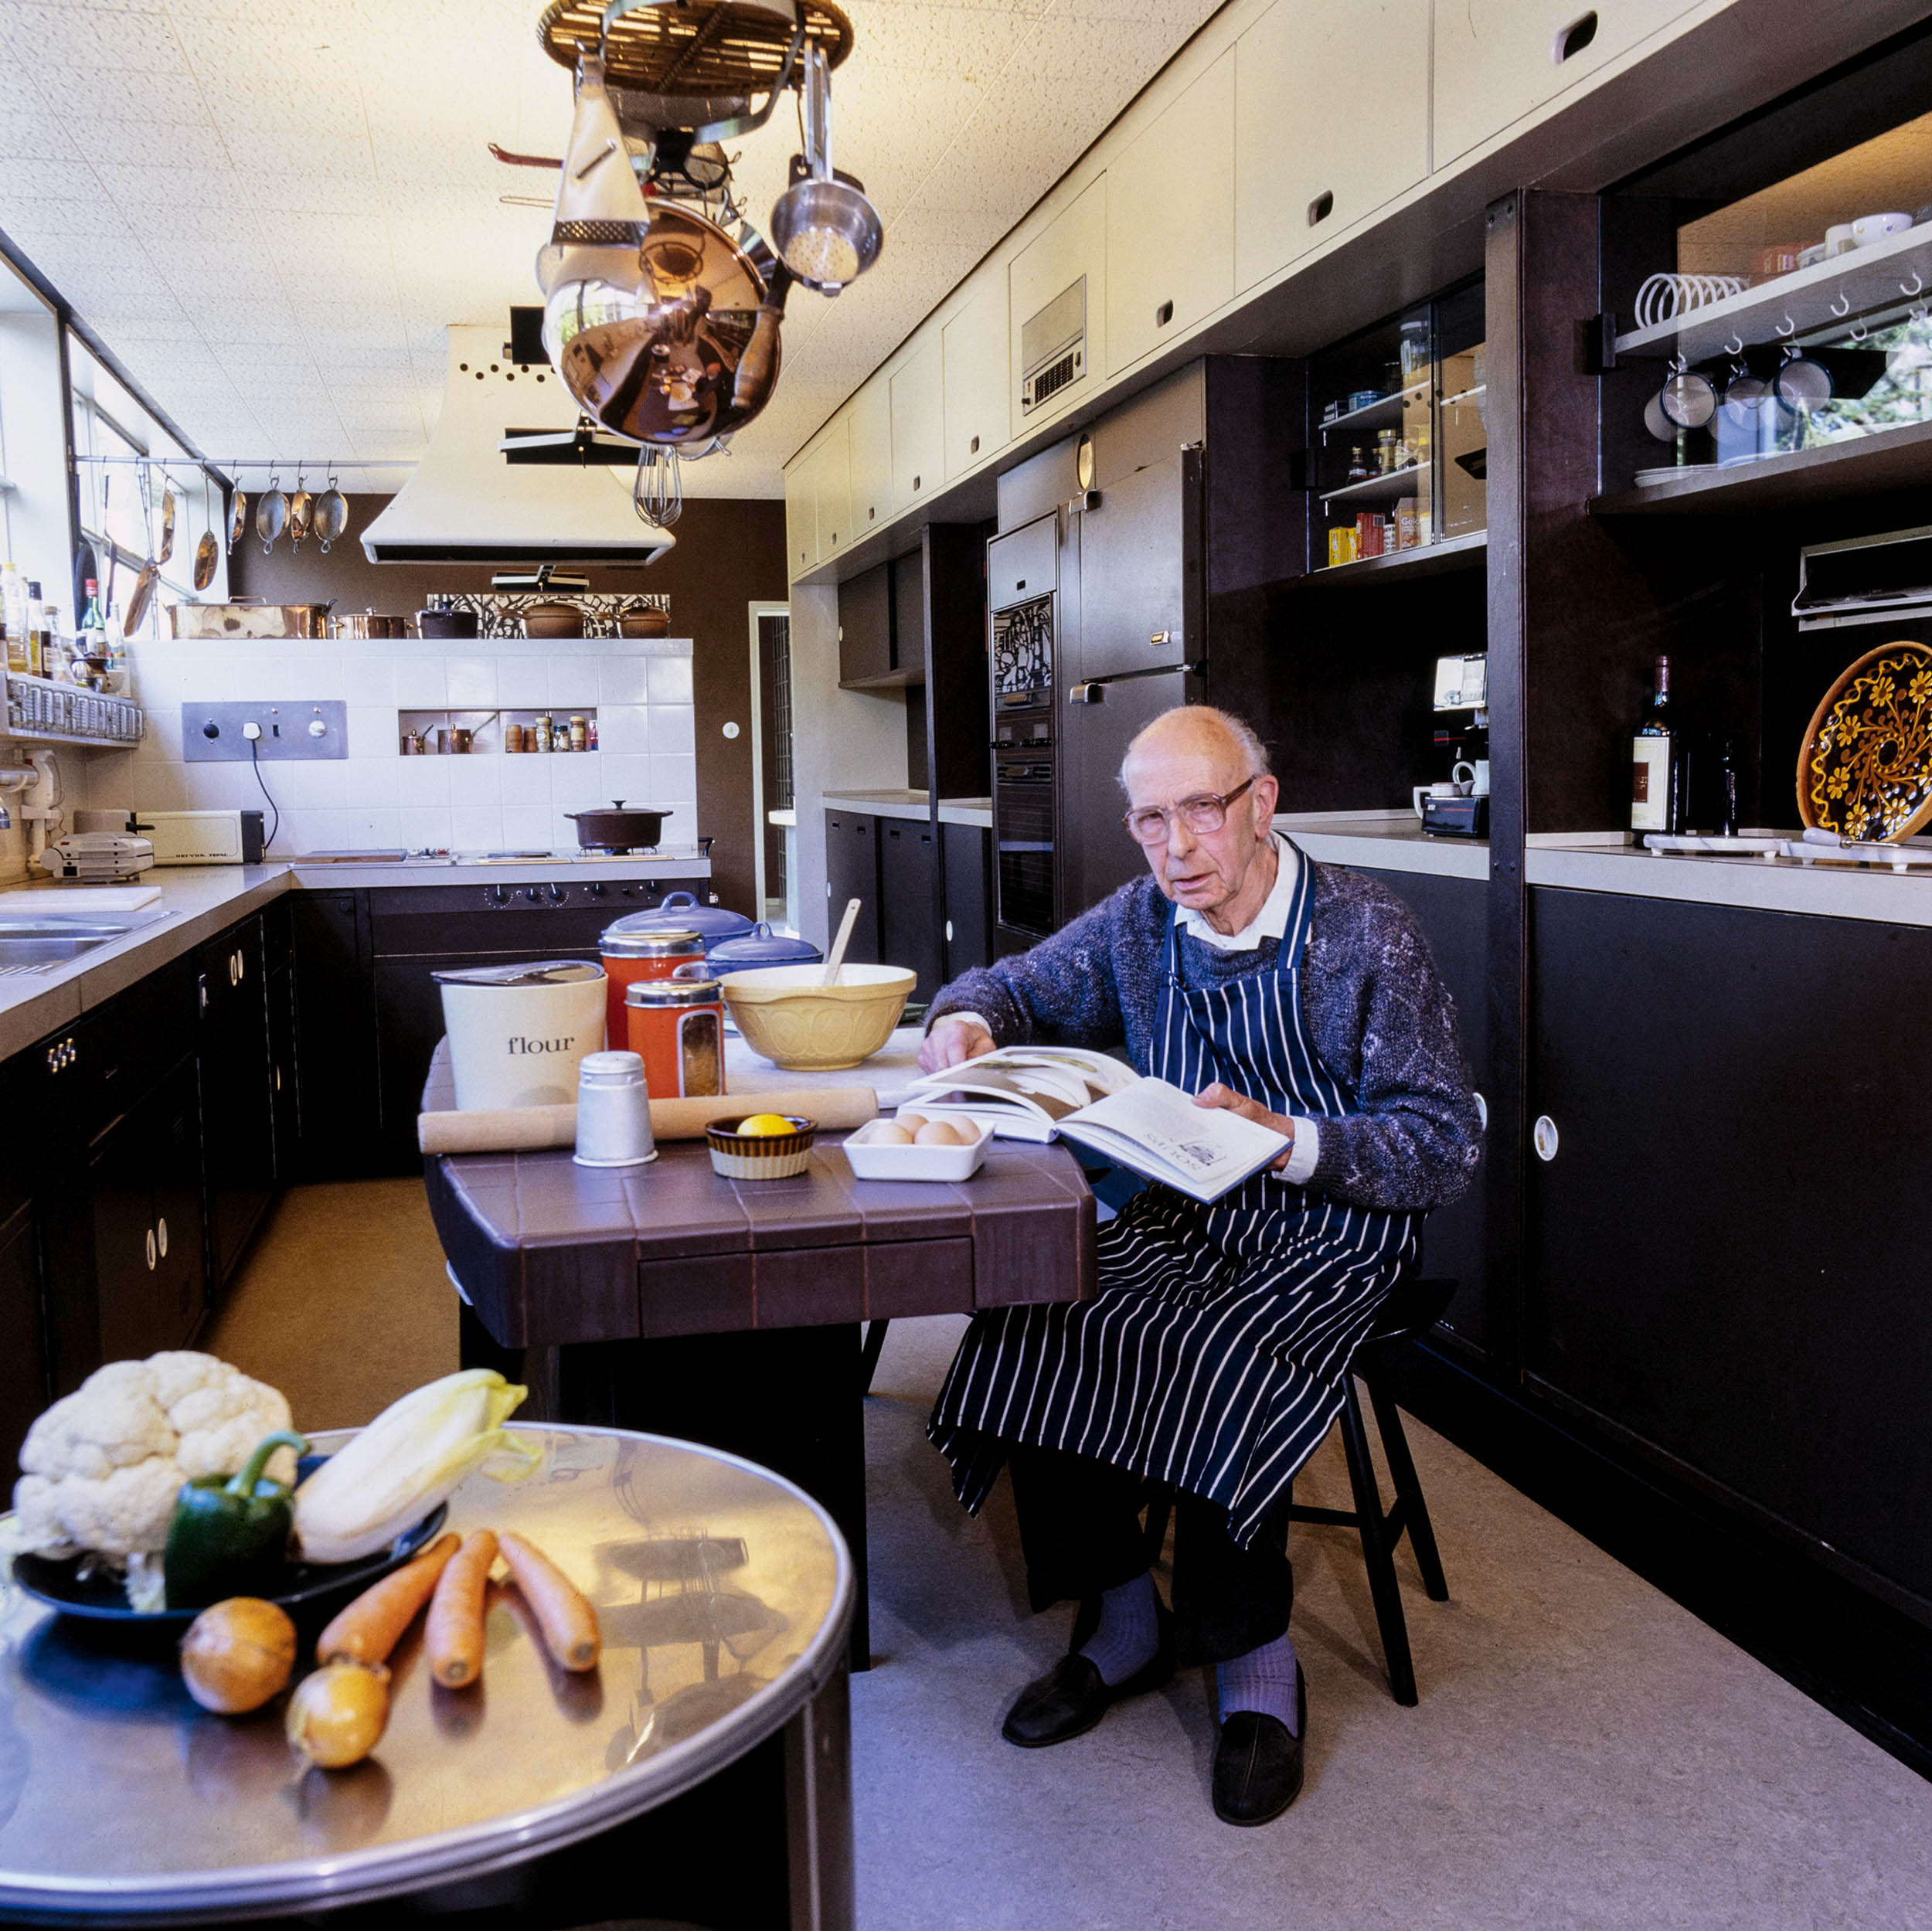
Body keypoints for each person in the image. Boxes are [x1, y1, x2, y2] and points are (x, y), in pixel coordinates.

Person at [919, 703, 1481, 1826]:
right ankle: (1125, 1618)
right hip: (1186, 1208)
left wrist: (1290, 1136)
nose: (1175, 849)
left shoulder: (1368, 932)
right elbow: (1015, 984)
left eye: (1199, 813)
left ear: (1260, 805)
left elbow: (1444, 1142)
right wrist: (964, 1023)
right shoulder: (1139, 923)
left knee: (1221, 1351)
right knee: (1038, 1307)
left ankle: (1257, 1669)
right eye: (1148, 823)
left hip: (1330, 1227)